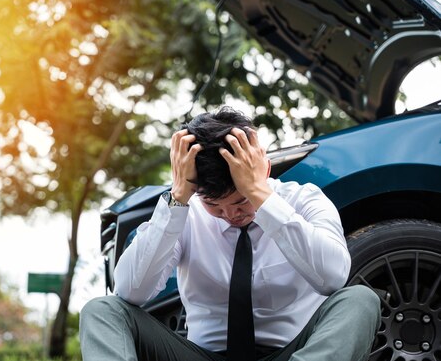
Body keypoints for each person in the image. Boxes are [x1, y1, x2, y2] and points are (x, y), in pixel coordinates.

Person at [80, 106, 381, 361]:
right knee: (102, 310)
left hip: (291, 353)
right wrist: (178, 198)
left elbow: (333, 277)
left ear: (262, 169)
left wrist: (262, 199)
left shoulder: (304, 201)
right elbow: (129, 291)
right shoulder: (186, 211)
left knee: (359, 301)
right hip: (202, 354)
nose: (231, 214)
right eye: (215, 205)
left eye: (240, 200)